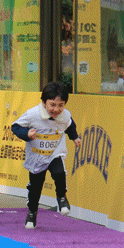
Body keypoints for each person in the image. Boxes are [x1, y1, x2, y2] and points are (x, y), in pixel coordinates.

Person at [10, 80, 82, 229]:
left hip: (55, 152)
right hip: (37, 155)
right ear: (43, 102)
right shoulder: (32, 114)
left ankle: (61, 197)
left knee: (59, 172)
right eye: (52, 105)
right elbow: (15, 127)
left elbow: (69, 125)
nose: (56, 109)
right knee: (36, 187)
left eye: (60, 105)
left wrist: (74, 137)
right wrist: (27, 134)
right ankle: (32, 212)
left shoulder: (64, 115)